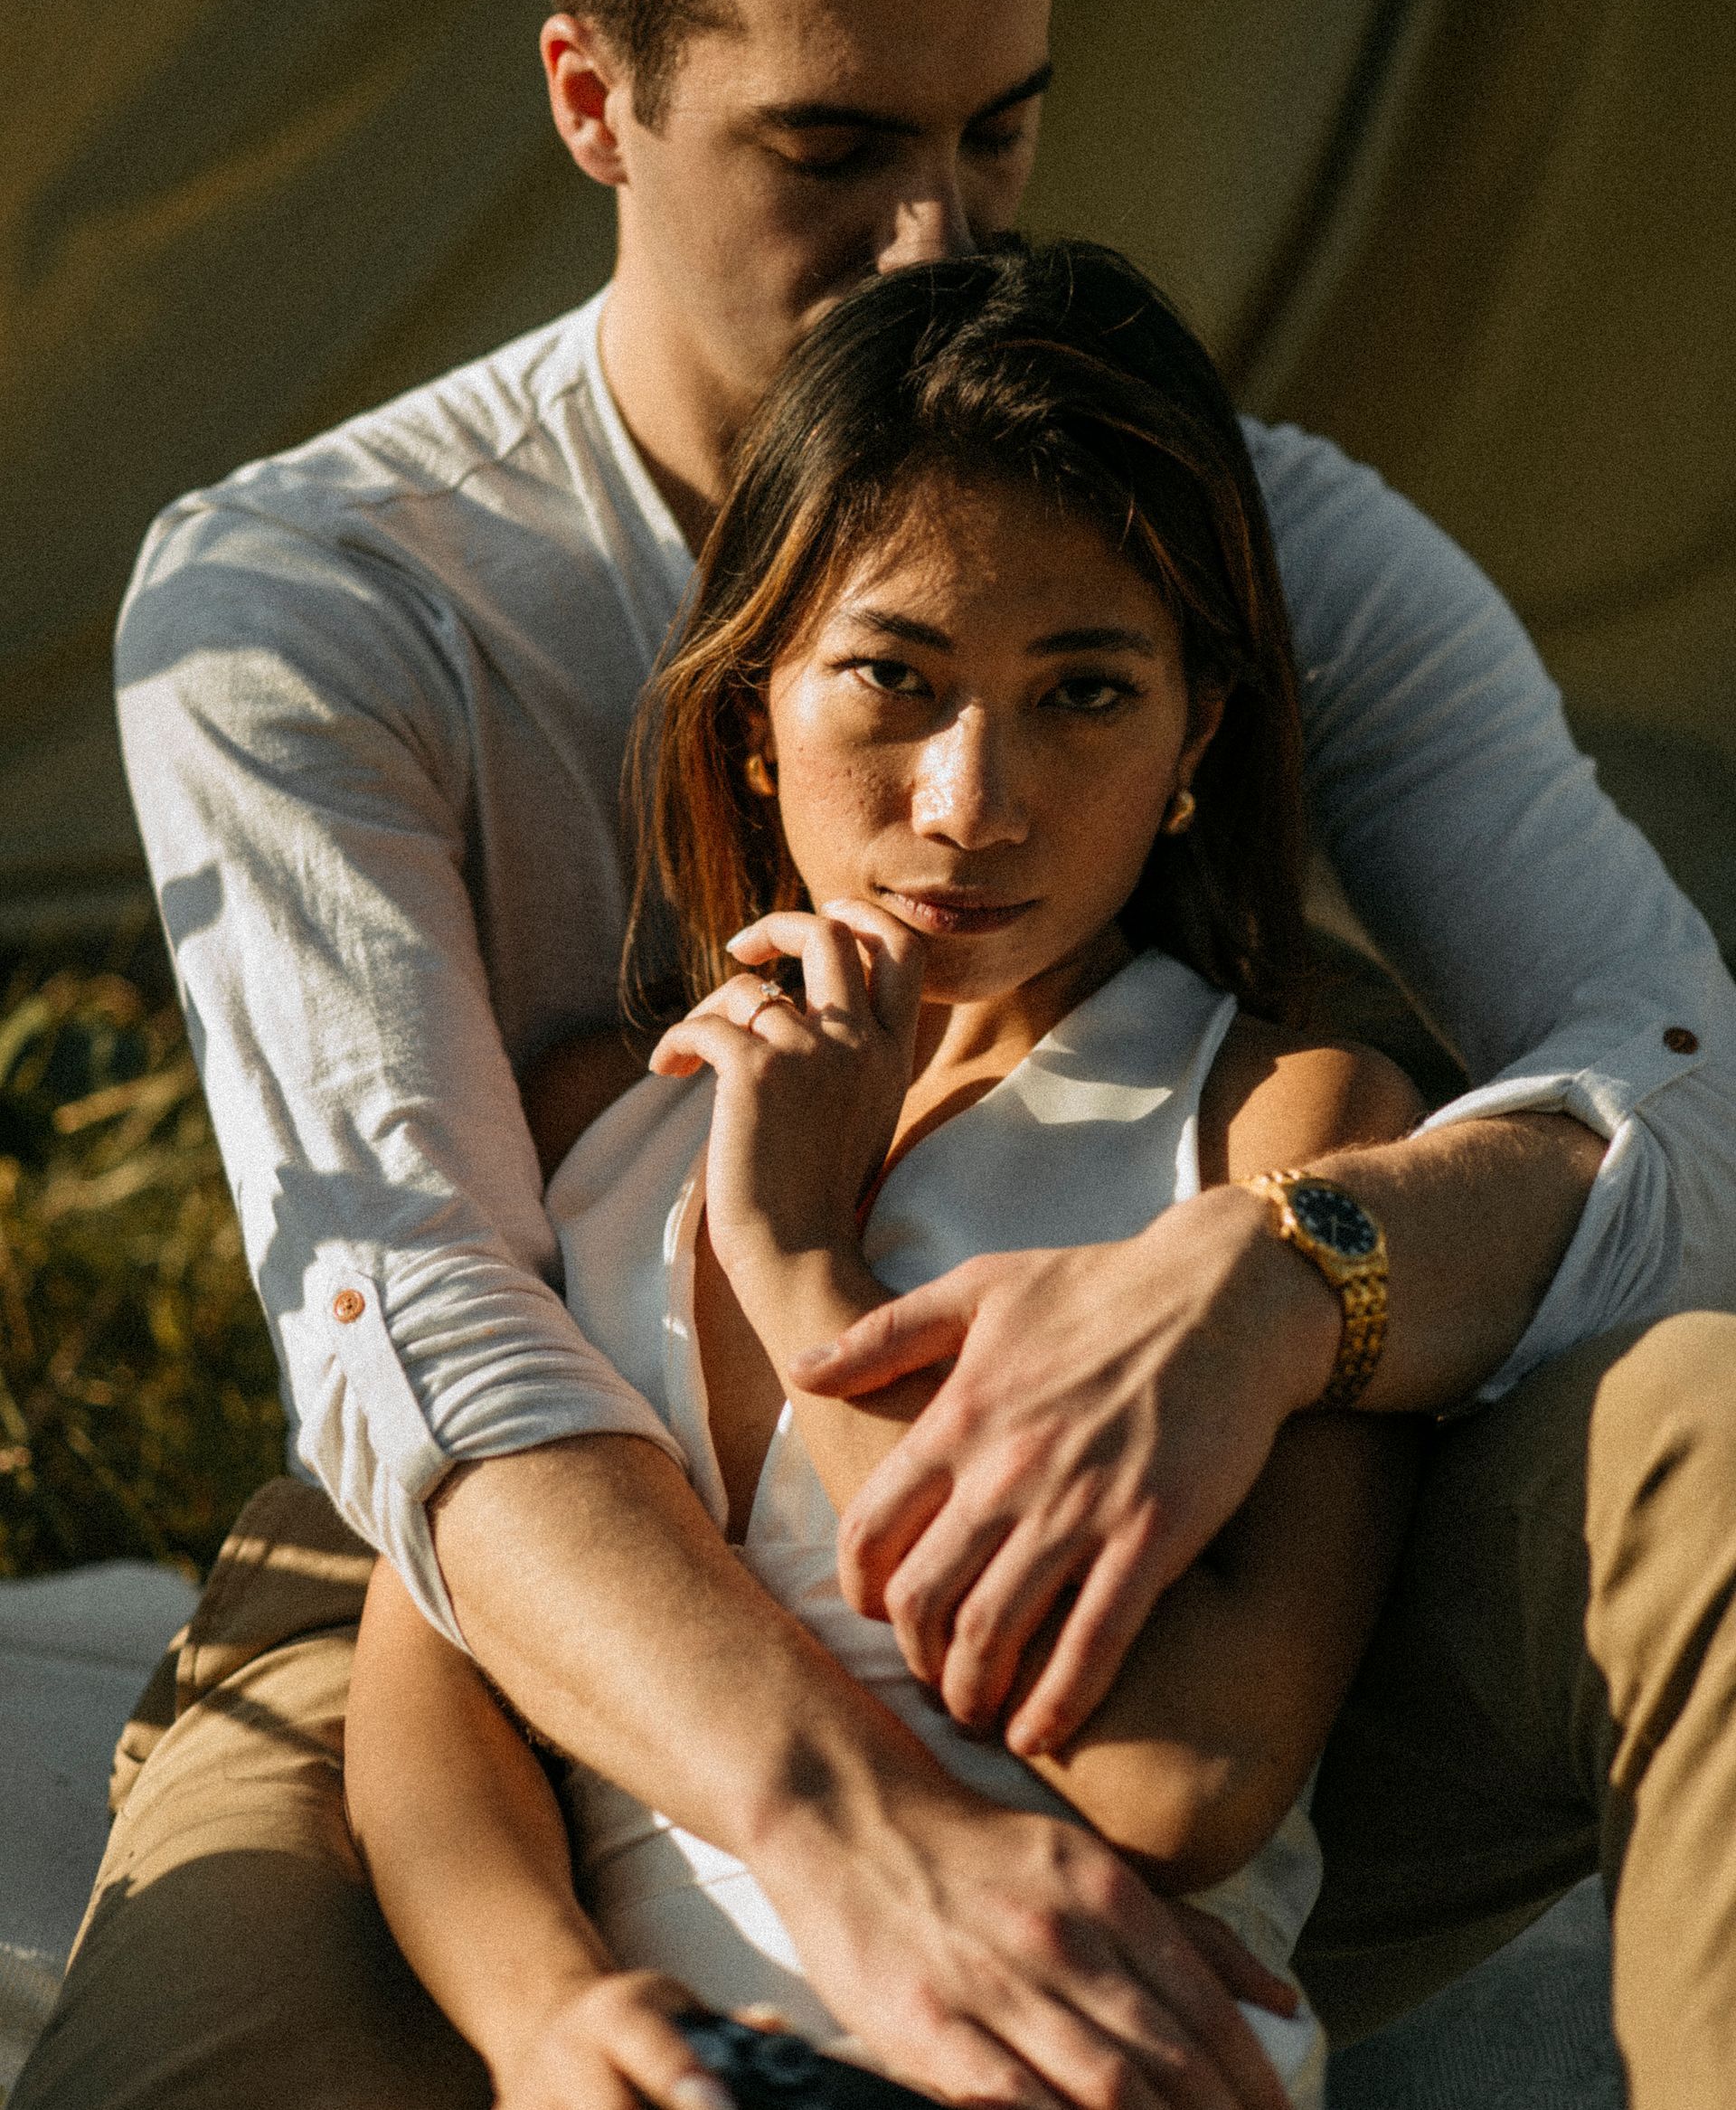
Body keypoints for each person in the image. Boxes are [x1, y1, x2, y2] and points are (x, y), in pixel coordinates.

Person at [17, 0, 1736, 2110]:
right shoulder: (320, 597)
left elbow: (1690, 1087)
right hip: (533, 1602)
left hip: (1188, 1610)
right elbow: (415, 1340)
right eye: (832, 146)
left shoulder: (1246, 542)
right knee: (211, 2058)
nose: (939, 238)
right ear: (594, 94)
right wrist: (845, 1821)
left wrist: (1289, 1283)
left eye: (1001, 127)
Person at [345, 240, 1425, 2110]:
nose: (972, 802)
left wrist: (797, 1264)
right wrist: (538, 2012)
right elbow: (434, 1650)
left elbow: (1187, 1773)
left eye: (1084, 694)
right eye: (893, 680)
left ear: (1197, 739)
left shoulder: (1274, 1120)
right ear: (753, 705)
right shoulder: (600, 1112)